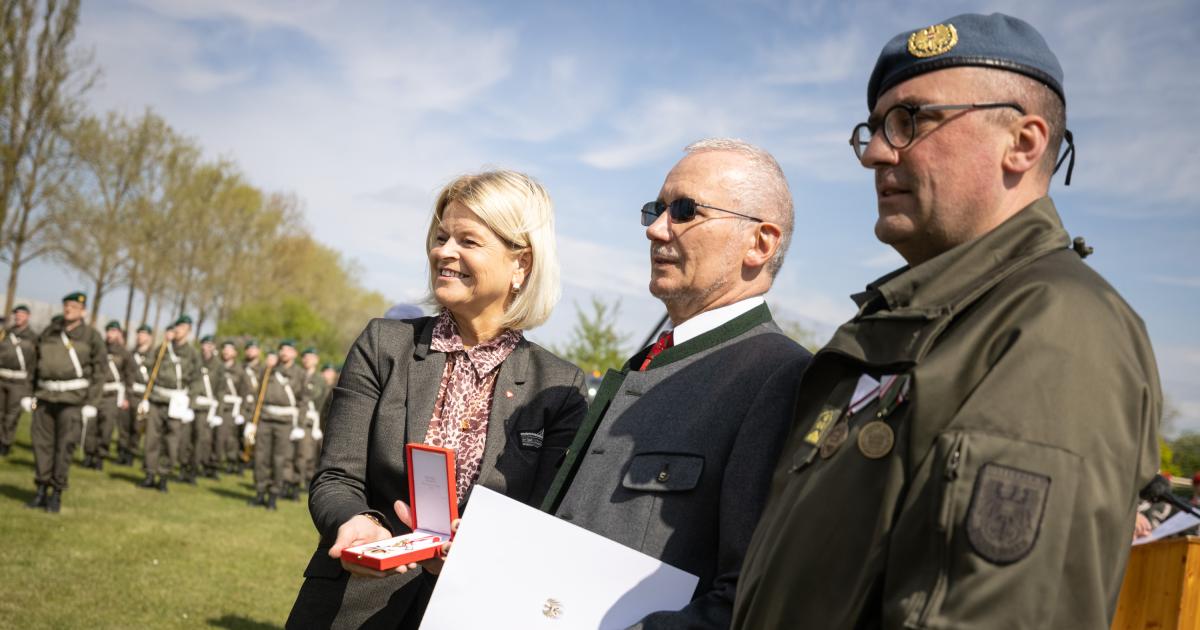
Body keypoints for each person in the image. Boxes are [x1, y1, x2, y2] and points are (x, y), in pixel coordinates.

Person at [732, 14, 1161, 629]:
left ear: (1024, 143)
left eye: (911, 121)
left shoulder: (1056, 330)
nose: (876, 152)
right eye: (875, 128)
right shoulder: (929, 319)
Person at [287, 170, 588, 629]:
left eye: (468, 240)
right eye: (442, 236)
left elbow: (545, 523)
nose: (444, 252)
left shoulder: (560, 388)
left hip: (473, 609)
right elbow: (335, 477)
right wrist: (353, 524)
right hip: (350, 606)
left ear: (521, 264)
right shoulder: (383, 345)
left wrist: (481, 547)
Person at [538, 139, 809, 629]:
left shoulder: (780, 378)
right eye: (655, 209)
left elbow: (750, 596)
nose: (657, 229)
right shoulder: (651, 362)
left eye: (685, 211)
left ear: (760, 243)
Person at [26, 292, 106, 513]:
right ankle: (41, 489)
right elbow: (35, 362)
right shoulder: (50, 332)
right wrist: (29, 393)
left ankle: (56, 493)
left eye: (74, 306)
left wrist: (93, 401)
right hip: (45, 396)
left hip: (72, 400)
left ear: (83, 311)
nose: (69, 309)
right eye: (67, 305)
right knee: (41, 444)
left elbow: (100, 371)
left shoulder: (91, 336)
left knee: (64, 447)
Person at [137, 315, 200, 493]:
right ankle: (149, 474)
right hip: (158, 399)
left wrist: (190, 401)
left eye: (182, 327)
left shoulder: (192, 353)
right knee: (151, 438)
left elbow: (197, 380)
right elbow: (149, 366)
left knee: (171, 441)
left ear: (188, 330)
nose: (178, 330)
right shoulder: (163, 347)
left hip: (177, 402)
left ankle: (163, 476)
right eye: (176, 326)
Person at [247, 340, 308, 510]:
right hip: (265, 419)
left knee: (279, 459)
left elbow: (303, 401)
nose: (284, 353)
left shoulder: (300, 374)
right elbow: (257, 396)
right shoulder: (268, 371)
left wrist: (299, 425)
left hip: (285, 422)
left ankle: (273, 495)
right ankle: (259, 492)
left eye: (288, 350)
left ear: (295, 354)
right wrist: (252, 422)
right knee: (260, 457)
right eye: (282, 349)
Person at [83, 321, 133, 470]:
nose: (111, 334)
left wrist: (126, 397)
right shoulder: (99, 349)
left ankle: (100, 456)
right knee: (91, 425)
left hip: (112, 394)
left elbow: (129, 376)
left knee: (106, 427)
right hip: (96, 392)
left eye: (114, 331)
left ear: (119, 333)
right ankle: (88, 454)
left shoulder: (124, 353)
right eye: (109, 330)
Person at [0, 304, 38, 457]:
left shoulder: (33, 337)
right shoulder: (6, 333)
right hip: (2, 377)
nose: (18, 317)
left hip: (19, 381)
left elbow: (34, 364)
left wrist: (29, 389)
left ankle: (5, 442)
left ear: (28, 316)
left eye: (22, 314)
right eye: (17, 314)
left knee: (12, 415)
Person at [289, 346, 325, 497]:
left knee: (304, 455)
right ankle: (287, 481)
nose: (307, 359)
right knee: (289, 453)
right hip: (292, 418)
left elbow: (313, 396)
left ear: (316, 360)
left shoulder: (318, 379)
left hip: (308, 422)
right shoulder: (297, 374)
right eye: (305, 357)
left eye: (310, 357)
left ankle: (298, 483)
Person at [212, 340, 247, 474]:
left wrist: (242, 412)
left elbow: (245, 392)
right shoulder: (217, 366)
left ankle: (226, 463)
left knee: (227, 437)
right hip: (215, 405)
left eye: (230, 349)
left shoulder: (240, 370)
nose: (226, 351)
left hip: (230, 408)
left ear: (235, 353)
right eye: (224, 348)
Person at [125, 324, 155, 466]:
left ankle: (132, 453)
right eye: (139, 334)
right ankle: (123, 452)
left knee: (139, 426)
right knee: (125, 425)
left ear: (149, 337)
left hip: (144, 395)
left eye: (143, 334)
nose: (140, 337)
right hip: (130, 392)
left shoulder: (154, 355)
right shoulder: (131, 353)